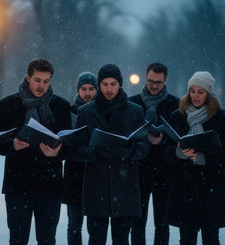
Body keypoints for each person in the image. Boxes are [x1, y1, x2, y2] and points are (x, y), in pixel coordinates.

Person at [0, 58, 71, 245]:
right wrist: (12, 144)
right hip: (18, 186)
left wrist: (57, 153)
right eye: (37, 80)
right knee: (18, 240)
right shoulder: (9, 104)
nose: (41, 86)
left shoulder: (60, 106)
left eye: (46, 81)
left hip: (49, 186)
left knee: (47, 240)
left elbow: (69, 144)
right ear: (28, 77)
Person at [73, 64, 150, 245]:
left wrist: (129, 152)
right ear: (99, 85)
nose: (109, 89)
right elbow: (76, 150)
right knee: (96, 239)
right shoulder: (86, 112)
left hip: (125, 187)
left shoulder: (135, 111)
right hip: (96, 186)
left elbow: (144, 147)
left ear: (120, 84)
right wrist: (94, 152)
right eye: (105, 84)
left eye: (113, 84)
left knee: (122, 239)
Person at [163, 71, 225, 245]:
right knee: (186, 239)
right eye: (192, 91)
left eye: (200, 91)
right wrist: (178, 153)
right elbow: (165, 151)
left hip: (212, 188)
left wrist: (204, 158)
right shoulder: (177, 116)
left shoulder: (223, 118)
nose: (195, 95)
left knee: (211, 238)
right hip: (184, 187)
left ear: (209, 94)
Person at [128, 63, 179, 245]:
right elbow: (127, 136)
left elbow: (179, 139)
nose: (154, 86)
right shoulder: (133, 103)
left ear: (165, 80)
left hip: (165, 171)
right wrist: (142, 140)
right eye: (150, 81)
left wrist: (162, 141)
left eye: (158, 82)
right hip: (138, 171)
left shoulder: (176, 105)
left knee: (162, 224)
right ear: (145, 77)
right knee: (137, 223)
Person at [63, 71, 97, 245]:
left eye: (91, 89)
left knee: (95, 226)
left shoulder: (99, 112)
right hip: (74, 174)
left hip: (94, 174)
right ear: (78, 90)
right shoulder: (69, 111)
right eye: (84, 89)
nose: (88, 93)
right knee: (74, 224)